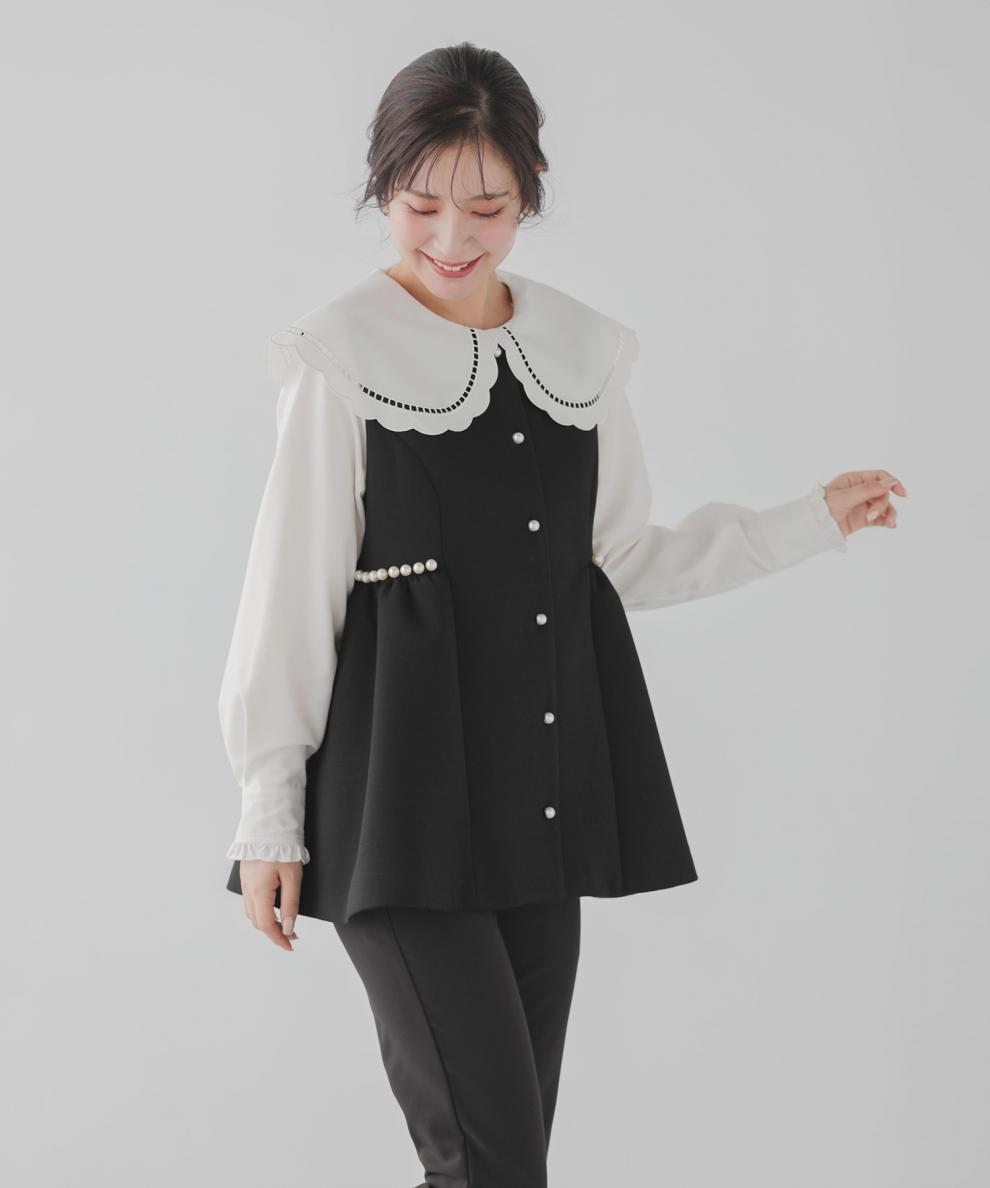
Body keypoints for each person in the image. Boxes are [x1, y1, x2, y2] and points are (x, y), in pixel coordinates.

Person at [217, 41, 906, 1188]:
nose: (451, 238)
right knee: (488, 1161)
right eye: (420, 204)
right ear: (381, 189)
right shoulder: (339, 357)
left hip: (535, 806)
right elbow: (287, 594)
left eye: (486, 207)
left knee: (509, 1163)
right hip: (397, 815)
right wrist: (267, 816)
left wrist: (808, 522)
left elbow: (618, 561)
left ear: (530, 190)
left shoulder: (578, 354)